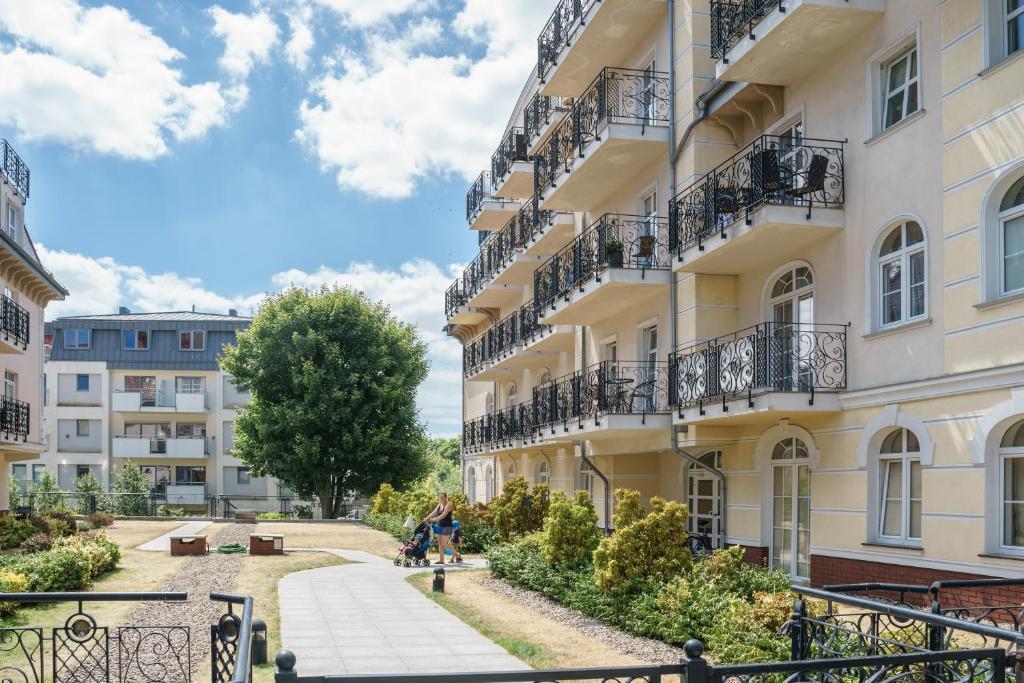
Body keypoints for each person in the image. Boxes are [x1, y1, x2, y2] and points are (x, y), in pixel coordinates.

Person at [424, 492, 462, 564]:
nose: (441, 499)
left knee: (444, 544)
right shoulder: (439, 505)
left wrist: (434, 520)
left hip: (447, 527)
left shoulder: (448, 504)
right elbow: (434, 512)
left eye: (442, 497)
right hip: (440, 526)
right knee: (440, 544)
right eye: (440, 497)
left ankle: (457, 554)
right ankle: (441, 560)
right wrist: (427, 518)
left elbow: (444, 515)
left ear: (446, 497)